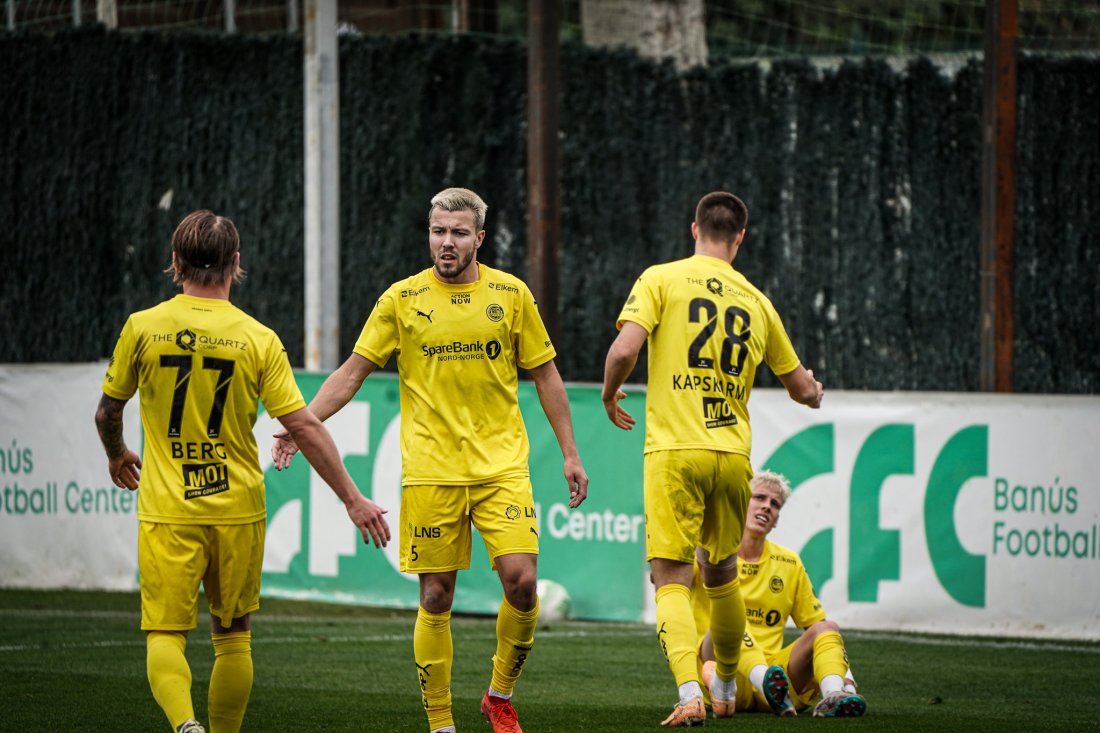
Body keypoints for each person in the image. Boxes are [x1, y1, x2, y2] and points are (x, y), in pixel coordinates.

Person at [271, 187, 589, 733]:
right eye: (439, 231)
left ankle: (499, 696)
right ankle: (441, 723)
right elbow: (352, 371)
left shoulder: (511, 296)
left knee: (522, 583)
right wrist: (302, 426)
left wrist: (570, 453)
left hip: (501, 468)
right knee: (436, 595)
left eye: (459, 232)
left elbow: (546, 375)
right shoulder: (401, 299)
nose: (446, 242)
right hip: (430, 472)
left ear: (479, 239)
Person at [95, 209, 391, 733]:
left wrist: (117, 452)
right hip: (237, 509)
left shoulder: (143, 328)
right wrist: (352, 498)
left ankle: (184, 724)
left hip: (169, 509)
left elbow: (107, 411)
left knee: (165, 633)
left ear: (174, 261)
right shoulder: (258, 338)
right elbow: (302, 426)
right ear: (236, 262)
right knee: (232, 636)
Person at [602, 191, 823, 726]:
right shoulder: (756, 299)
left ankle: (688, 692)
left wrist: (610, 394)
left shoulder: (661, 278)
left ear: (694, 229)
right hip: (732, 456)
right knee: (721, 576)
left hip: (676, 451)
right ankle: (724, 678)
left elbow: (626, 350)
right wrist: (815, 391)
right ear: (740, 238)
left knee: (671, 578)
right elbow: (799, 387)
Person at [696, 470, 867, 718]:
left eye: (774, 504)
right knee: (730, 617)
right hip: (720, 674)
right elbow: (666, 574)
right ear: (741, 502)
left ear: (776, 519)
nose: (767, 507)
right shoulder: (709, 550)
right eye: (759, 498)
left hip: (778, 682)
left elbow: (822, 633)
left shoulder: (788, 563)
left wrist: (847, 680)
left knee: (826, 627)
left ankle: (833, 696)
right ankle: (763, 678)